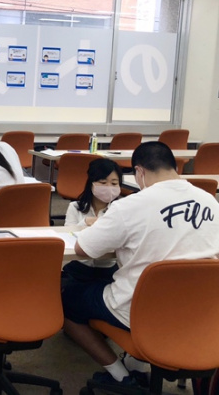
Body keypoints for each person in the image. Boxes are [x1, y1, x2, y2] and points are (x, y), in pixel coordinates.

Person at [62, 141, 219, 388]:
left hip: (139, 310)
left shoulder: (130, 206)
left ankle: (120, 375)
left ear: (139, 172)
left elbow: (83, 249)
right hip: (199, 312)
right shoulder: (210, 202)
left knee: (67, 299)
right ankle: (136, 365)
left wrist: (101, 227)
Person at [62, 158, 122, 290]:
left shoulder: (120, 211)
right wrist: (84, 222)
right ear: (91, 183)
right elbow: (67, 236)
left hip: (106, 268)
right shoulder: (75, 207)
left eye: (114, 183)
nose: (109, 187)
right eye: (103, 182)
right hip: (79, 266)